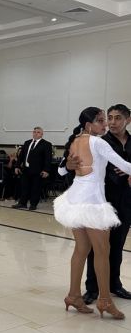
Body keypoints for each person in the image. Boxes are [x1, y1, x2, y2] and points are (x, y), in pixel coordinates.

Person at [54, 107, 131, 319]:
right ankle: (104, 300)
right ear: (89, 125)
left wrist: (68, 166)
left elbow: (61, 170)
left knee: (81, 249)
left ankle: (73, 295)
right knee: (102, 251)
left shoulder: (75, 140)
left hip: (75, 199)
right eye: (101, 121)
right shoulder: (98, 142)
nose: (105, 125)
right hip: (92, 201)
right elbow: (125, 166)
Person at [12, 127, 52, 211]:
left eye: (38, 132)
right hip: (26, 169)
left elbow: (48, 159)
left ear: (42, 134)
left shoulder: (46, 144)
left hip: (38, 170)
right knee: (24, 187)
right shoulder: (27, 143)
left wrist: (46, 170)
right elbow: (21, 156)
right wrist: (17, 166)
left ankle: (33, 204)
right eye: (34, 132)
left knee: (35, 188)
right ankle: (22, 203)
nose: (35, 133)